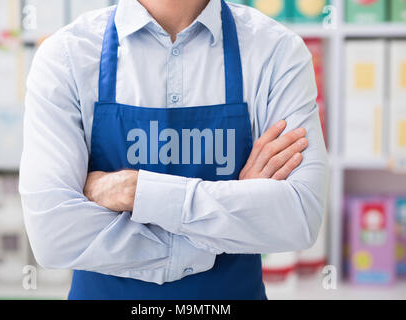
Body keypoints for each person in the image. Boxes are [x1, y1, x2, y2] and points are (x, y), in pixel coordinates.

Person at [19, 0, 329, 300]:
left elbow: (299, 217)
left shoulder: (276, 52)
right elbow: (53, 236)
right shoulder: (66, 57)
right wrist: (235, 215)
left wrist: (135, 190)